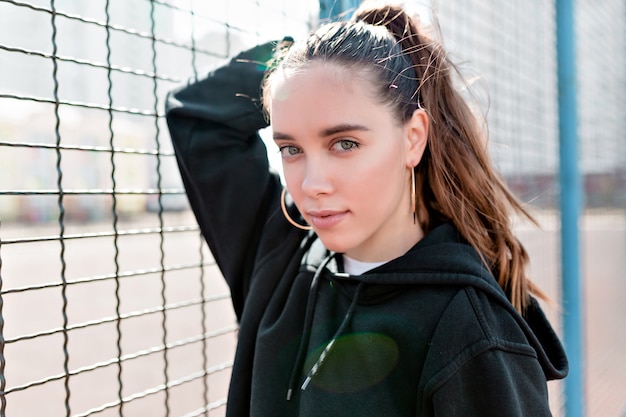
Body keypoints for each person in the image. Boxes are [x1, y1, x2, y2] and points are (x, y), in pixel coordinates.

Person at [165, 2, 568, 416]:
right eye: (291, 149)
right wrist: (298, 56)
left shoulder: (469, 329)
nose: (311, 185)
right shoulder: (280, 254)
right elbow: (199, 117)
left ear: (413, 138)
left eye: (344, 144)